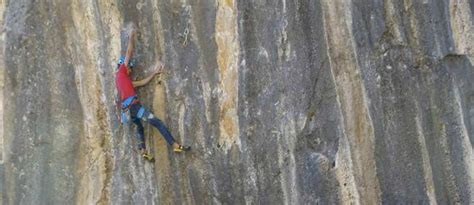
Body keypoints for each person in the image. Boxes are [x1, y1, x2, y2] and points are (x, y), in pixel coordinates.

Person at [115, 25, 190, 161]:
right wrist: (131, 36)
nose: (131, 70)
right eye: (130, 68)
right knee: (157, 122)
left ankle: (143, 150)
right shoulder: (121, 71)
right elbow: (129, 52)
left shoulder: (123, 81)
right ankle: (174, 144)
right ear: (125, 66)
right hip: (134, 106)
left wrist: (154, 73)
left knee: (139, 127)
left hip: (126, 111)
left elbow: (142, 83)